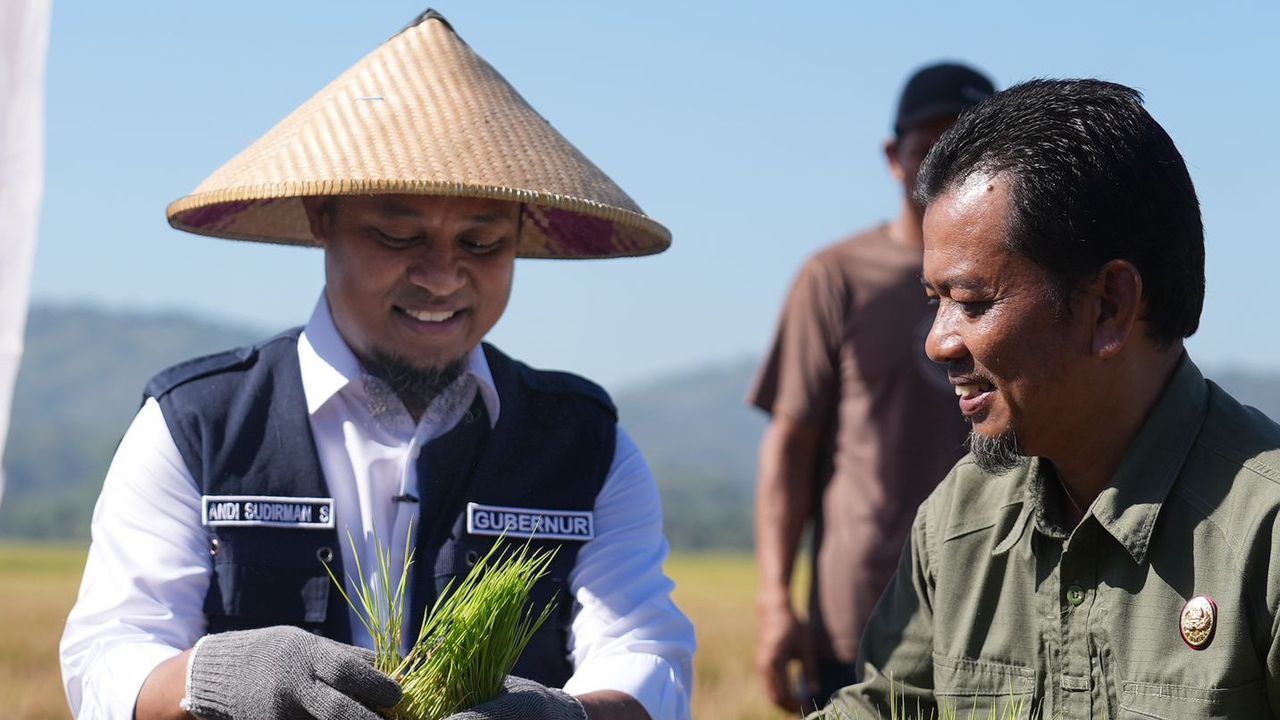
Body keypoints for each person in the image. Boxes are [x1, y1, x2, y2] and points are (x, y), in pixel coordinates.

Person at [60, 11, 694, 720]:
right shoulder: (197, 428)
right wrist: (212, 677)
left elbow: (648, 658)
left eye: (482, 244)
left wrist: (568, 716)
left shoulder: (585, 446)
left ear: (520, 237)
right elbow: (106, 661)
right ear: (321, 216)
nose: (442, 276)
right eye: (399, 235)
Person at [818, 78, 1280, 718]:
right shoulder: (959, 522)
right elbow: (881, 708)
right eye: (935, 303)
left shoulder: (1265, 534)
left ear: (1110, 306)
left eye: (974, 303)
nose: (939, 343)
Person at [749, 63, 991, 710]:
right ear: (893, 157)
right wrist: (776, 603)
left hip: (994, 610)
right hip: (859, 615)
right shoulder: (839, 278)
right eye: (927, 147)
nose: (946, 166)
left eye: (968, 148)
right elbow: (791, 447)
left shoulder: (1025, 289)